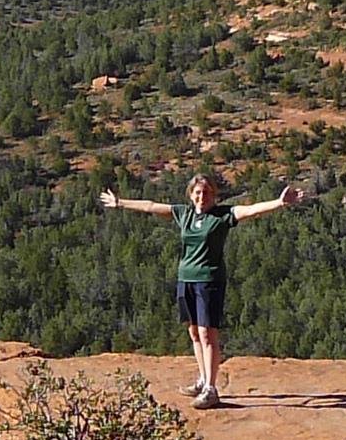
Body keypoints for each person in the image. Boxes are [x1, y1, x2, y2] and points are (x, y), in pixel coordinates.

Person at [98, 174, 309, 408]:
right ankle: (202, 379)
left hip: (209, 280)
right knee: (194, 333)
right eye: (198, 192)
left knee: (207, 334)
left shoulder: (223, 215)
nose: (202, 196)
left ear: (214, 195)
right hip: (186, 279)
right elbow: (150, 206)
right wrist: (120, 203)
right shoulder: (184, 214)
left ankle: (211, 388)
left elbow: (252, 211)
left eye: (206, 192)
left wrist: (279, 203)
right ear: (191, 195)